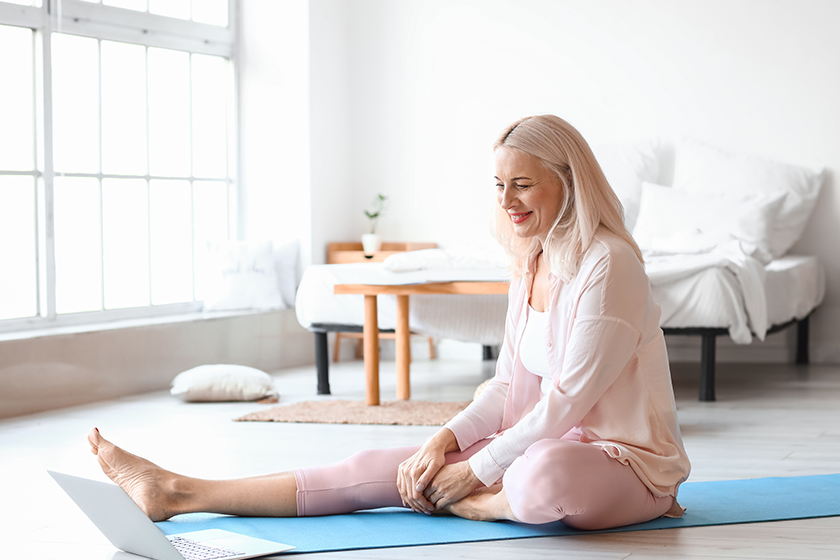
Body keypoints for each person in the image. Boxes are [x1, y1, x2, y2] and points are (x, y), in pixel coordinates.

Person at [89, 114, 690, 530]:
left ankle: (478, 505)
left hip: (626, 463)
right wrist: (444, 441)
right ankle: (177, 493)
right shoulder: (529, 258)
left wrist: (477, 473)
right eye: (500, 184)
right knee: (384, 469)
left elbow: (566, 400)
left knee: (542, 477)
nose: (508, 201)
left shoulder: (609, 264)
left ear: (569, 181)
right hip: (542, 443)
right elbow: (507, 385)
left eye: (524, 185)